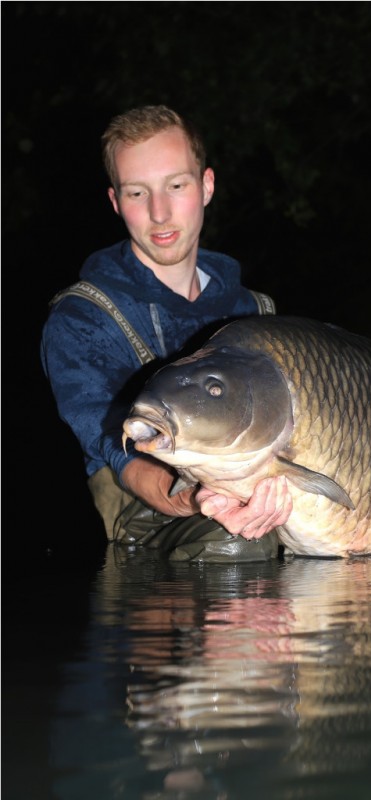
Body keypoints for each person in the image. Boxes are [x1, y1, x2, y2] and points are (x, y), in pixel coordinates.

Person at [41, 104, 292, 562]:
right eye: (138, 193)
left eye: (176, 186)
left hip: (273, 487)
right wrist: (194, 498)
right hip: (149, 518)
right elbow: (113, 448)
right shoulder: (82, 318)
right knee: (234, 546)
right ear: (116, 202)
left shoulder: (257, 313)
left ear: (206, 186)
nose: (159, 212)